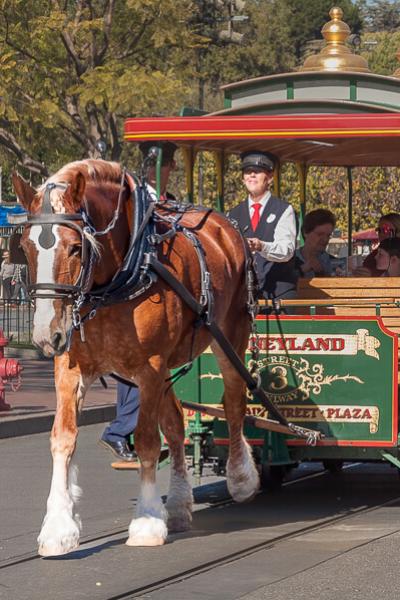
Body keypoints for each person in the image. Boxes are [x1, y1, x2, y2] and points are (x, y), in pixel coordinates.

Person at [100, 141, 177, 461]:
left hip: (167, 292)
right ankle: (120, 431)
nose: (155, 170)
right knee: (139, 363)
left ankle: (137, 434)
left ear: (170, 169)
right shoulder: (130, 200)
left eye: (162, 165)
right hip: (134, 293)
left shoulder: (171, 204)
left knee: (155, 367)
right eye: (150, 164)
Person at [228, 150, 297, 301]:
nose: (252, 175)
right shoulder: (233, 214)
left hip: (279, 295)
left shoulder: (284, 210)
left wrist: (261, 246)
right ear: (243, 179)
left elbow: (286, 250)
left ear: (270, 177)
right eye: (247, 171)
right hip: (244, 296)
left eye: (258, 171)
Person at [295, 208, 336, 277]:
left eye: (328, 235)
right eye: (320, 234)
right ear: (305, 232)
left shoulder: (333, 263)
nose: (325, 239)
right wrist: (302, 270)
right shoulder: (288, 262)